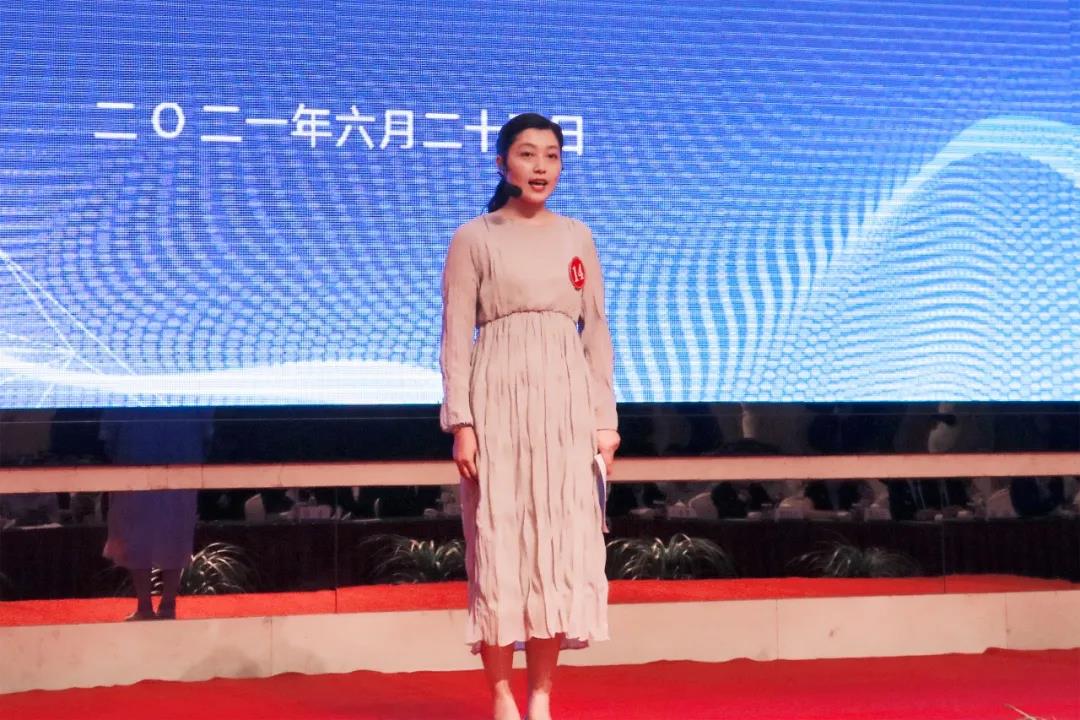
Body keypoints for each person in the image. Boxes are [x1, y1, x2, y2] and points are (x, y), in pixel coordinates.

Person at [440, 113, 619, 720]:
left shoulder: (577, 236)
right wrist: (462, 422)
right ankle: (500, 695)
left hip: (565, 406)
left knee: (557, 551)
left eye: (552, 156)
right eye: (527, 154)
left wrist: (604, 421)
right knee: (500, 547)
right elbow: (455, 338)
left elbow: (596, 334)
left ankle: (541, 696)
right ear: (502, 163)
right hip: (498, 402)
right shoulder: (474, 237)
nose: (541, 167)